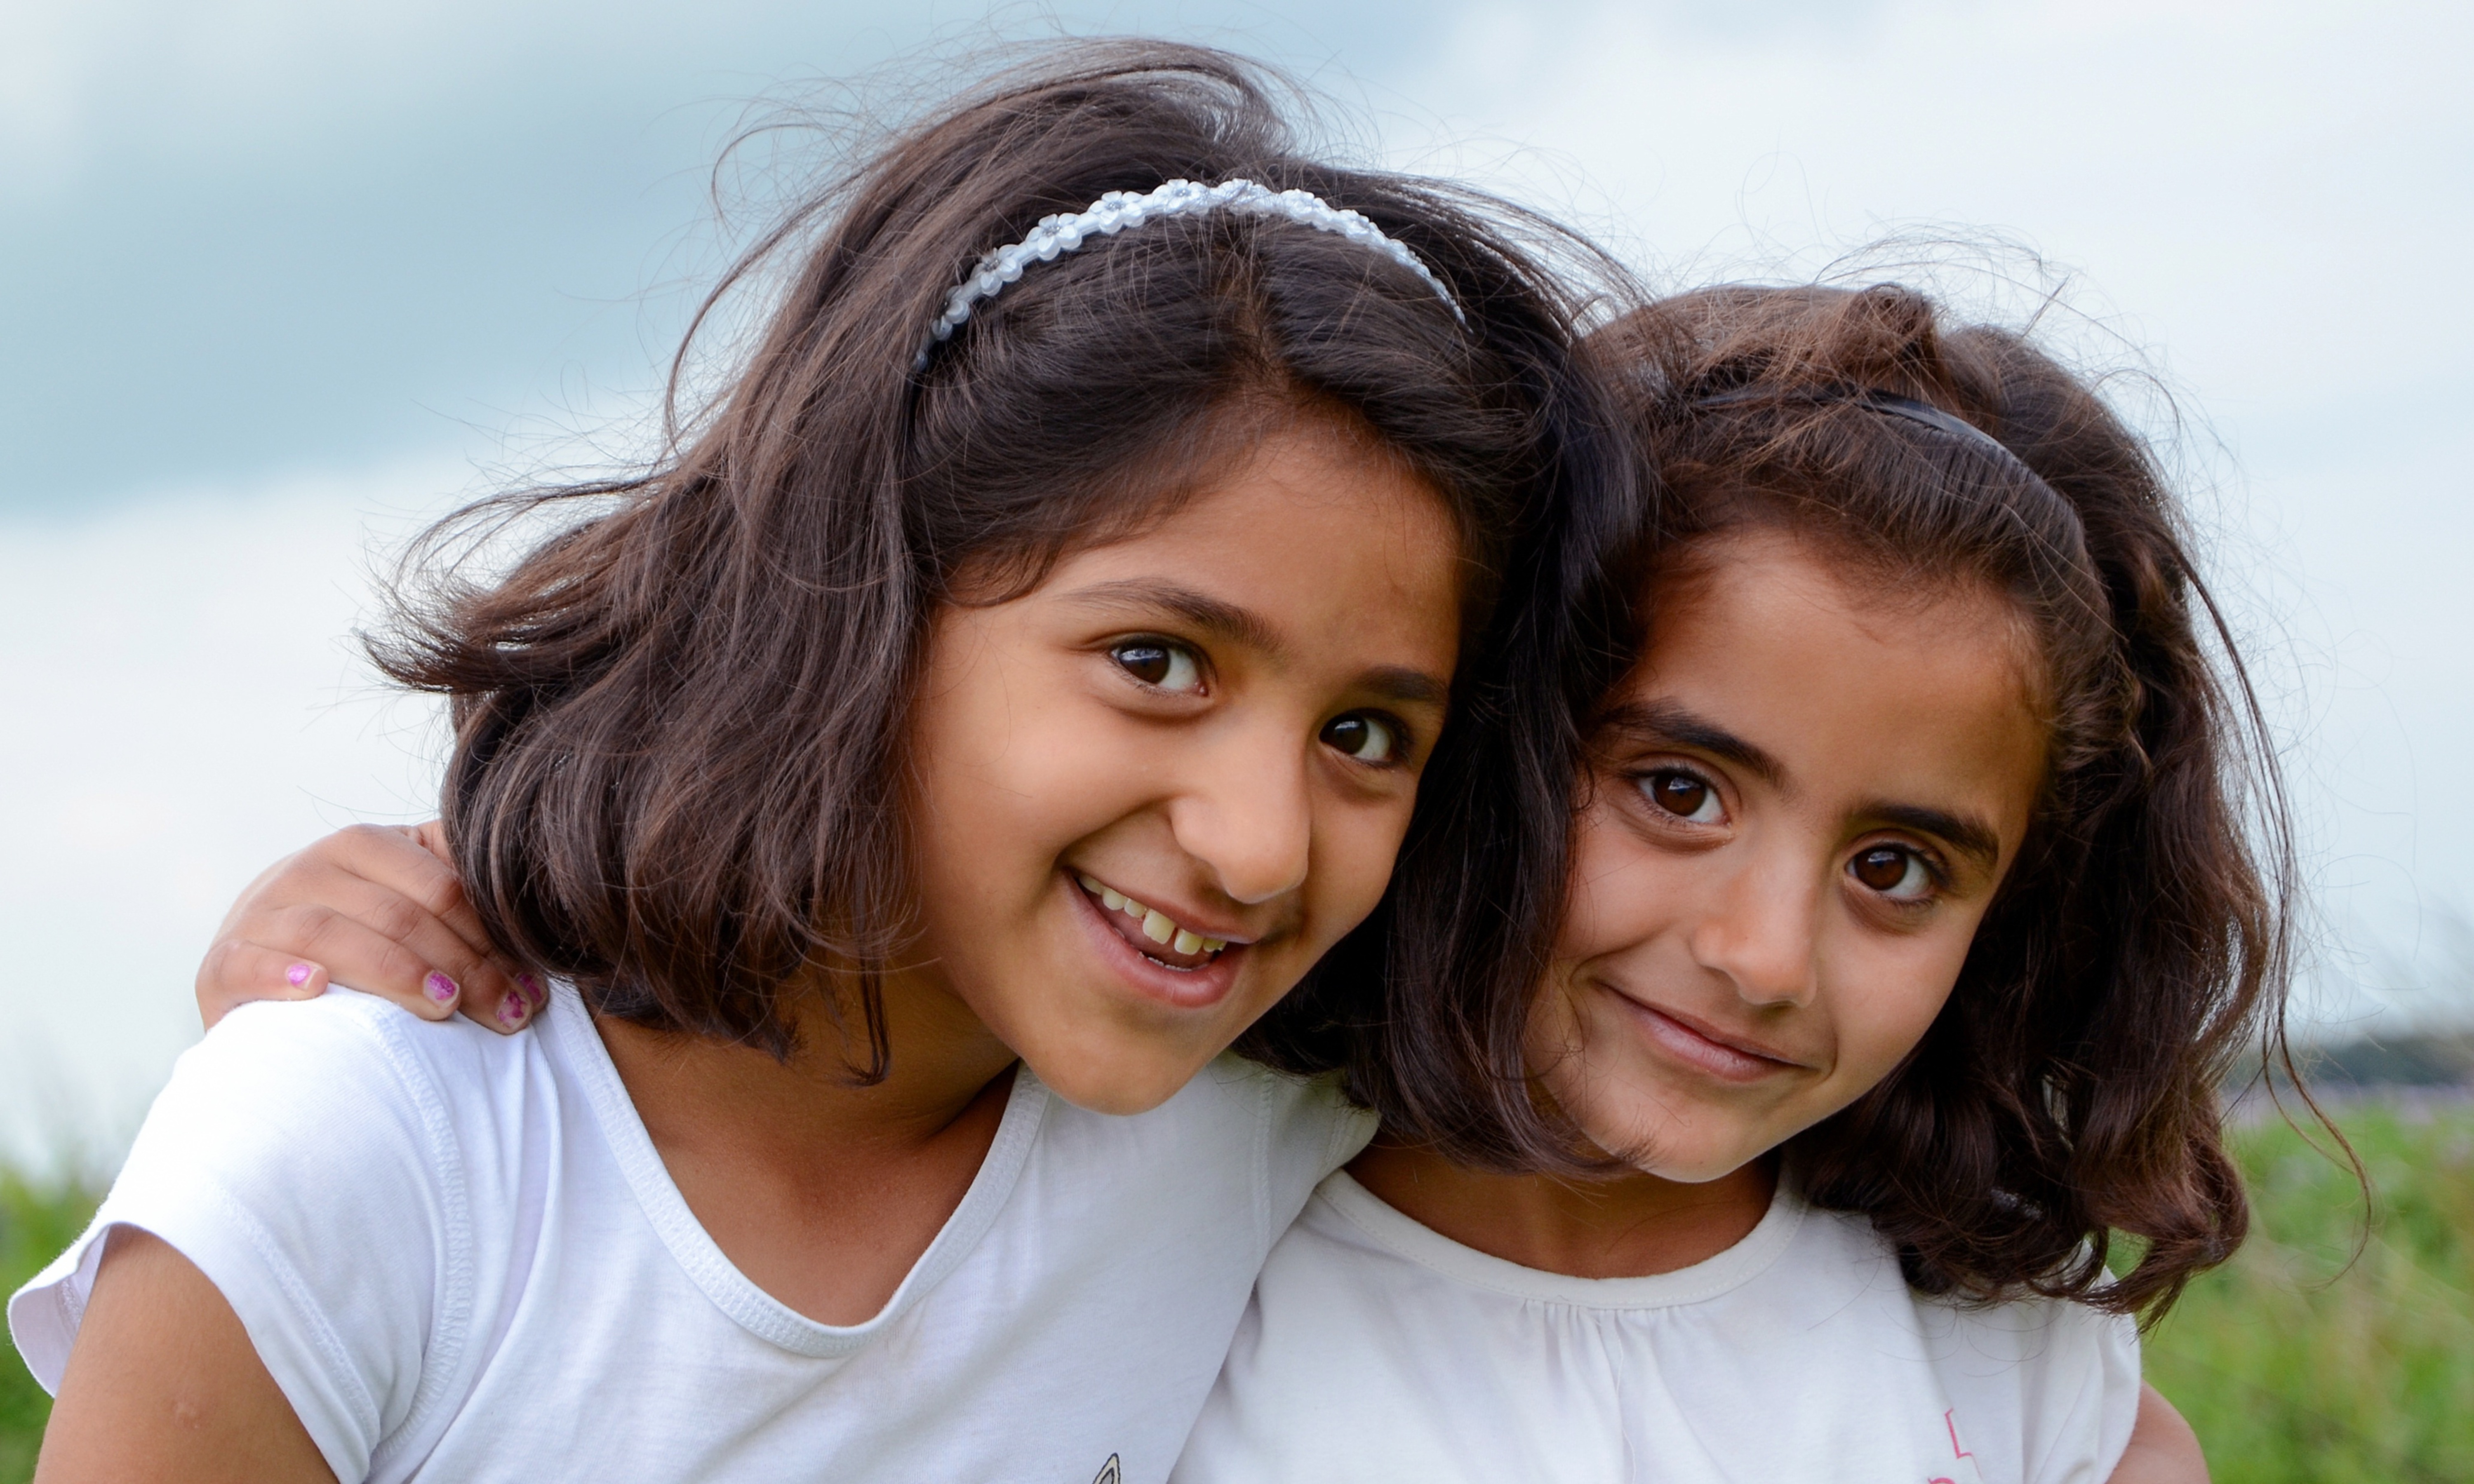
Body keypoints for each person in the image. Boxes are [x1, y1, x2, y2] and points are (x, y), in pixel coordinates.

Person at [8, 42, 1638, 1484]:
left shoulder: (1279, 1116)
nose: (1261, 845)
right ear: (870, 587)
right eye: (1155, 664)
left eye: (1366, 733)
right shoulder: (364, 1156)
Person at [1173, 284, 2277, 1482]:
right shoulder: (1155, 1284)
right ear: (1495, 736)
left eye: (1894, 869)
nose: (1764, 958)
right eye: (1680, 793)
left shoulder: (2019, 1370)